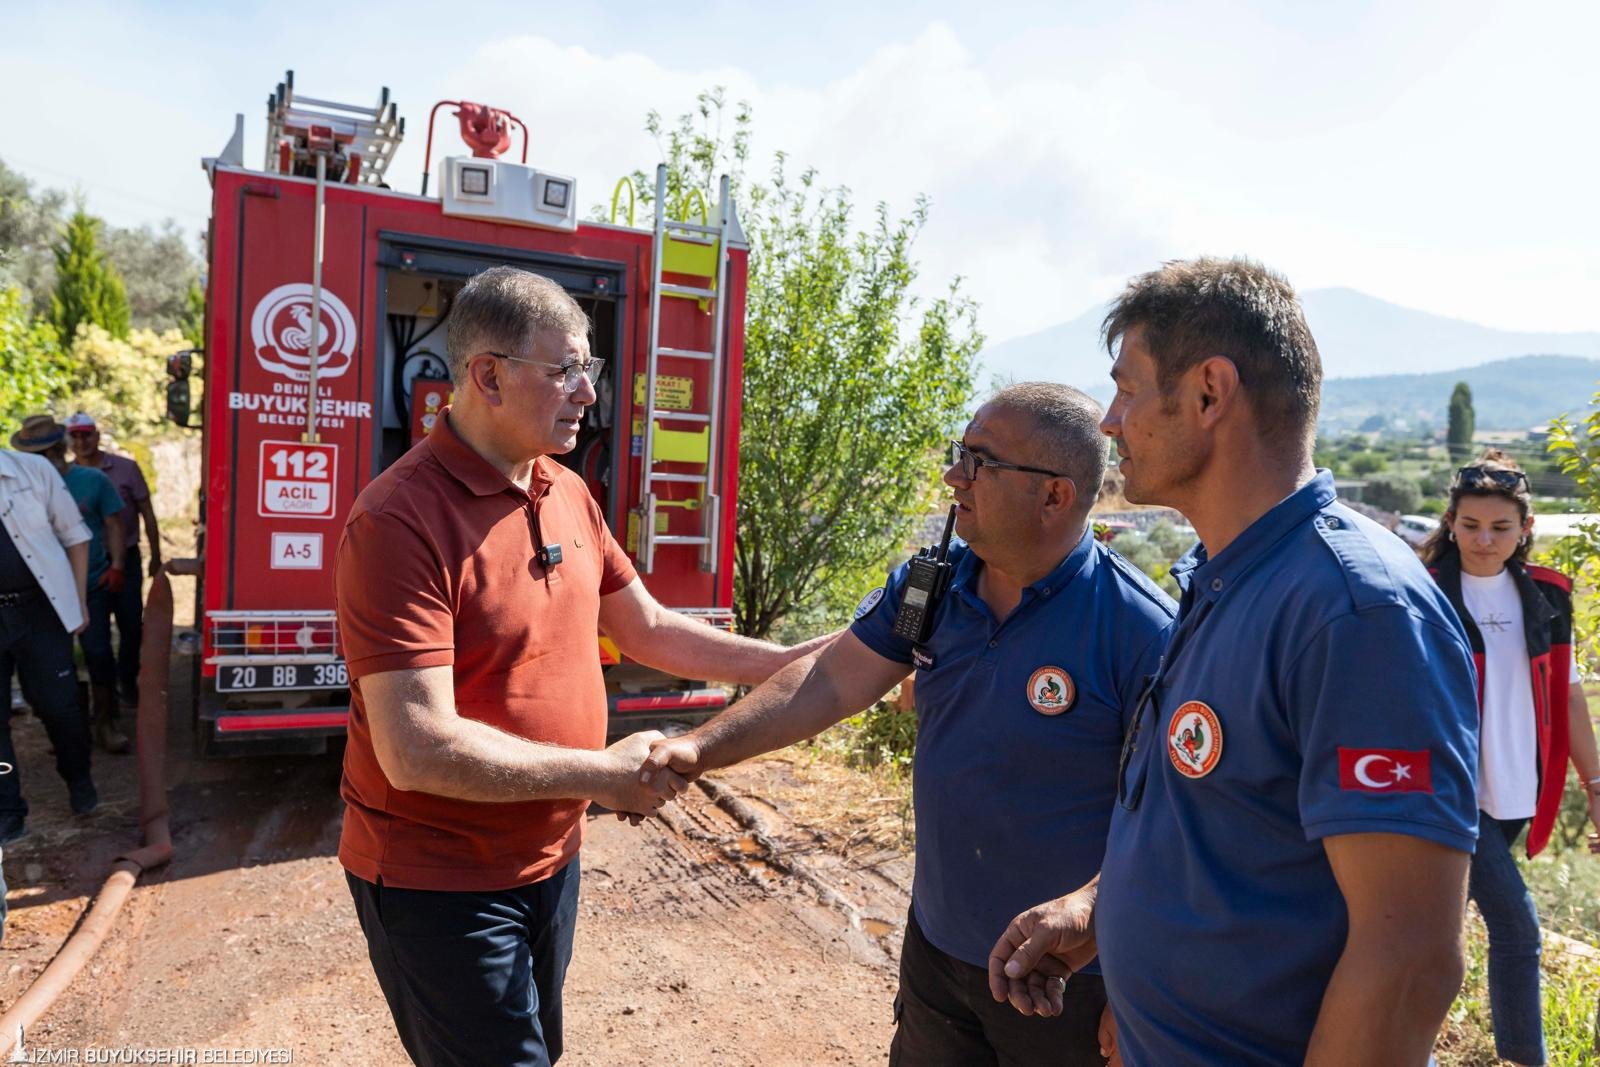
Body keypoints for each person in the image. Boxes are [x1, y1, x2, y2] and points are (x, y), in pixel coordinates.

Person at [988, 258, 1481, 1066]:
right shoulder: (1230, 575)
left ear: (1210, 393)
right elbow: (1232, 825)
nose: (1109, 422)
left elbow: (1409, 960)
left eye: (1127, 390)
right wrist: (1103, 914)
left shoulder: (1355, 610)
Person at [334, 266, 829, 1067]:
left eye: (587, 367)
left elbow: (648, 628)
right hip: (441, 880)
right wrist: (601, 774)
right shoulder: (398, 519)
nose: (588, 392)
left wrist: (795, 663)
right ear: (488, 376)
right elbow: (415, 746)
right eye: (564, 369)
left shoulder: (563, 489)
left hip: (550, 858)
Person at [641, 383, 1177, 1065]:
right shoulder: (933, 584)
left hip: (1067, 978)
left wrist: (1138, 987)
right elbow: (829, 679)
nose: (954, 475)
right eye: (960, 453)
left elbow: (1176, 822)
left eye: (980, 461)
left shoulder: (1142, 630)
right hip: (937, 955)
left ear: (1054, 496)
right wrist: (700, 746)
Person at [1419, 450, 1596, 1066]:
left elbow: (1568, 694)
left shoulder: (1547, 595)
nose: (1484, 540)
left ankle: (1400, 1048)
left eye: (1500, 527)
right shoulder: (1422, 590)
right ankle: (1525, 1060)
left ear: (1525, 528)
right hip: (1449, 790)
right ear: (1450, 522)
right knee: (1518, 931)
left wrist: (1595, 786)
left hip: (1519, 790)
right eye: (1470, 525)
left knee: (1428, 939)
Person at [0, 417, 99, 841]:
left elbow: (76, 536)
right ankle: (8, 810)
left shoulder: (32, 470)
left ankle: (79, 779)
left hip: (40, 610)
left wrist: (78, 601)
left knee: (58, 707)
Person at [18, 416, 127, 756]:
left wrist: (117, 565)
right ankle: (74, 728)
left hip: (91, 582)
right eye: (32, 456)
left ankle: (106, 722)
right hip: (44, 589)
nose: (38, 462)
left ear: (58, 451)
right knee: (56, 662)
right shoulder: (21, 488)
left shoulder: (92, 480)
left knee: (98, 653)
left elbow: (114, 524)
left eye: (44, 454)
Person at [65, 412, 161, 731]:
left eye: (87, 434)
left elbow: (146, 512)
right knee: (97, 637)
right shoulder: (64, 477)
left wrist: (156, 555)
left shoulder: (125, 468)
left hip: (126, 559)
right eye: (75, 436)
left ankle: (127, 680)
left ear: (97, 435)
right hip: (88, 564)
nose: (82, 441)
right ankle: (106, 703)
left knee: (131, 625)